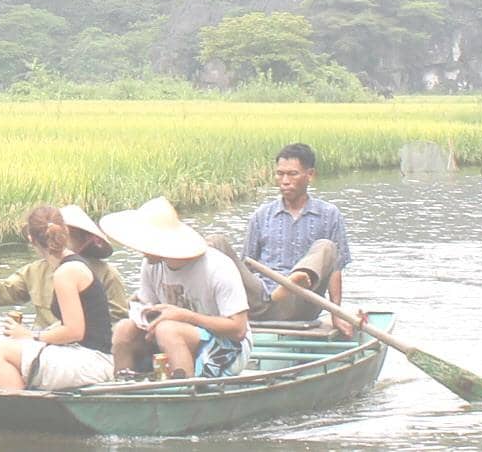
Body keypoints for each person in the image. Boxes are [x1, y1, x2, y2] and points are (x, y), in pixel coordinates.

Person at [100, 197, 252, 380]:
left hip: (228, 348)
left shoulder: (217, 267)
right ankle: (123, 387)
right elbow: (149, 305)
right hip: (173, 337)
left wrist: (185, 316)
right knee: (124, 328)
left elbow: (238, 329)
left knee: (167, 330)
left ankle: (185, 390)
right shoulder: (151, 265)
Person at [0, 206, 116, 391]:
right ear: (64, 232)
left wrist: (31, 335)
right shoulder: (70, 267)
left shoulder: (65, 273)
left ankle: (19, 410)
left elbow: (75, 331)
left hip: (92, 362)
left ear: (31, 239)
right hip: (87, 357)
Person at [0, 204, 128, 328]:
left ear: (85, 239)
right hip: (42, 342)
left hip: (82, 347)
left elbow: (118, 319)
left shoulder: (106, 274)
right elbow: (3, 295)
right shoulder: (35, 271)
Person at [236, 142, 348, 324]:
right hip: (262, 302)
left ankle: (294, 282)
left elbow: (336, 270)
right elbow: (247, 266)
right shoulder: (261, 215)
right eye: (280, 174)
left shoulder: (329, 214)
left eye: (292, 174)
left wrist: (337, 314)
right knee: (216, 244)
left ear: (309, 175)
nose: (285, 181)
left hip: (302, 303)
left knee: (326, 247)